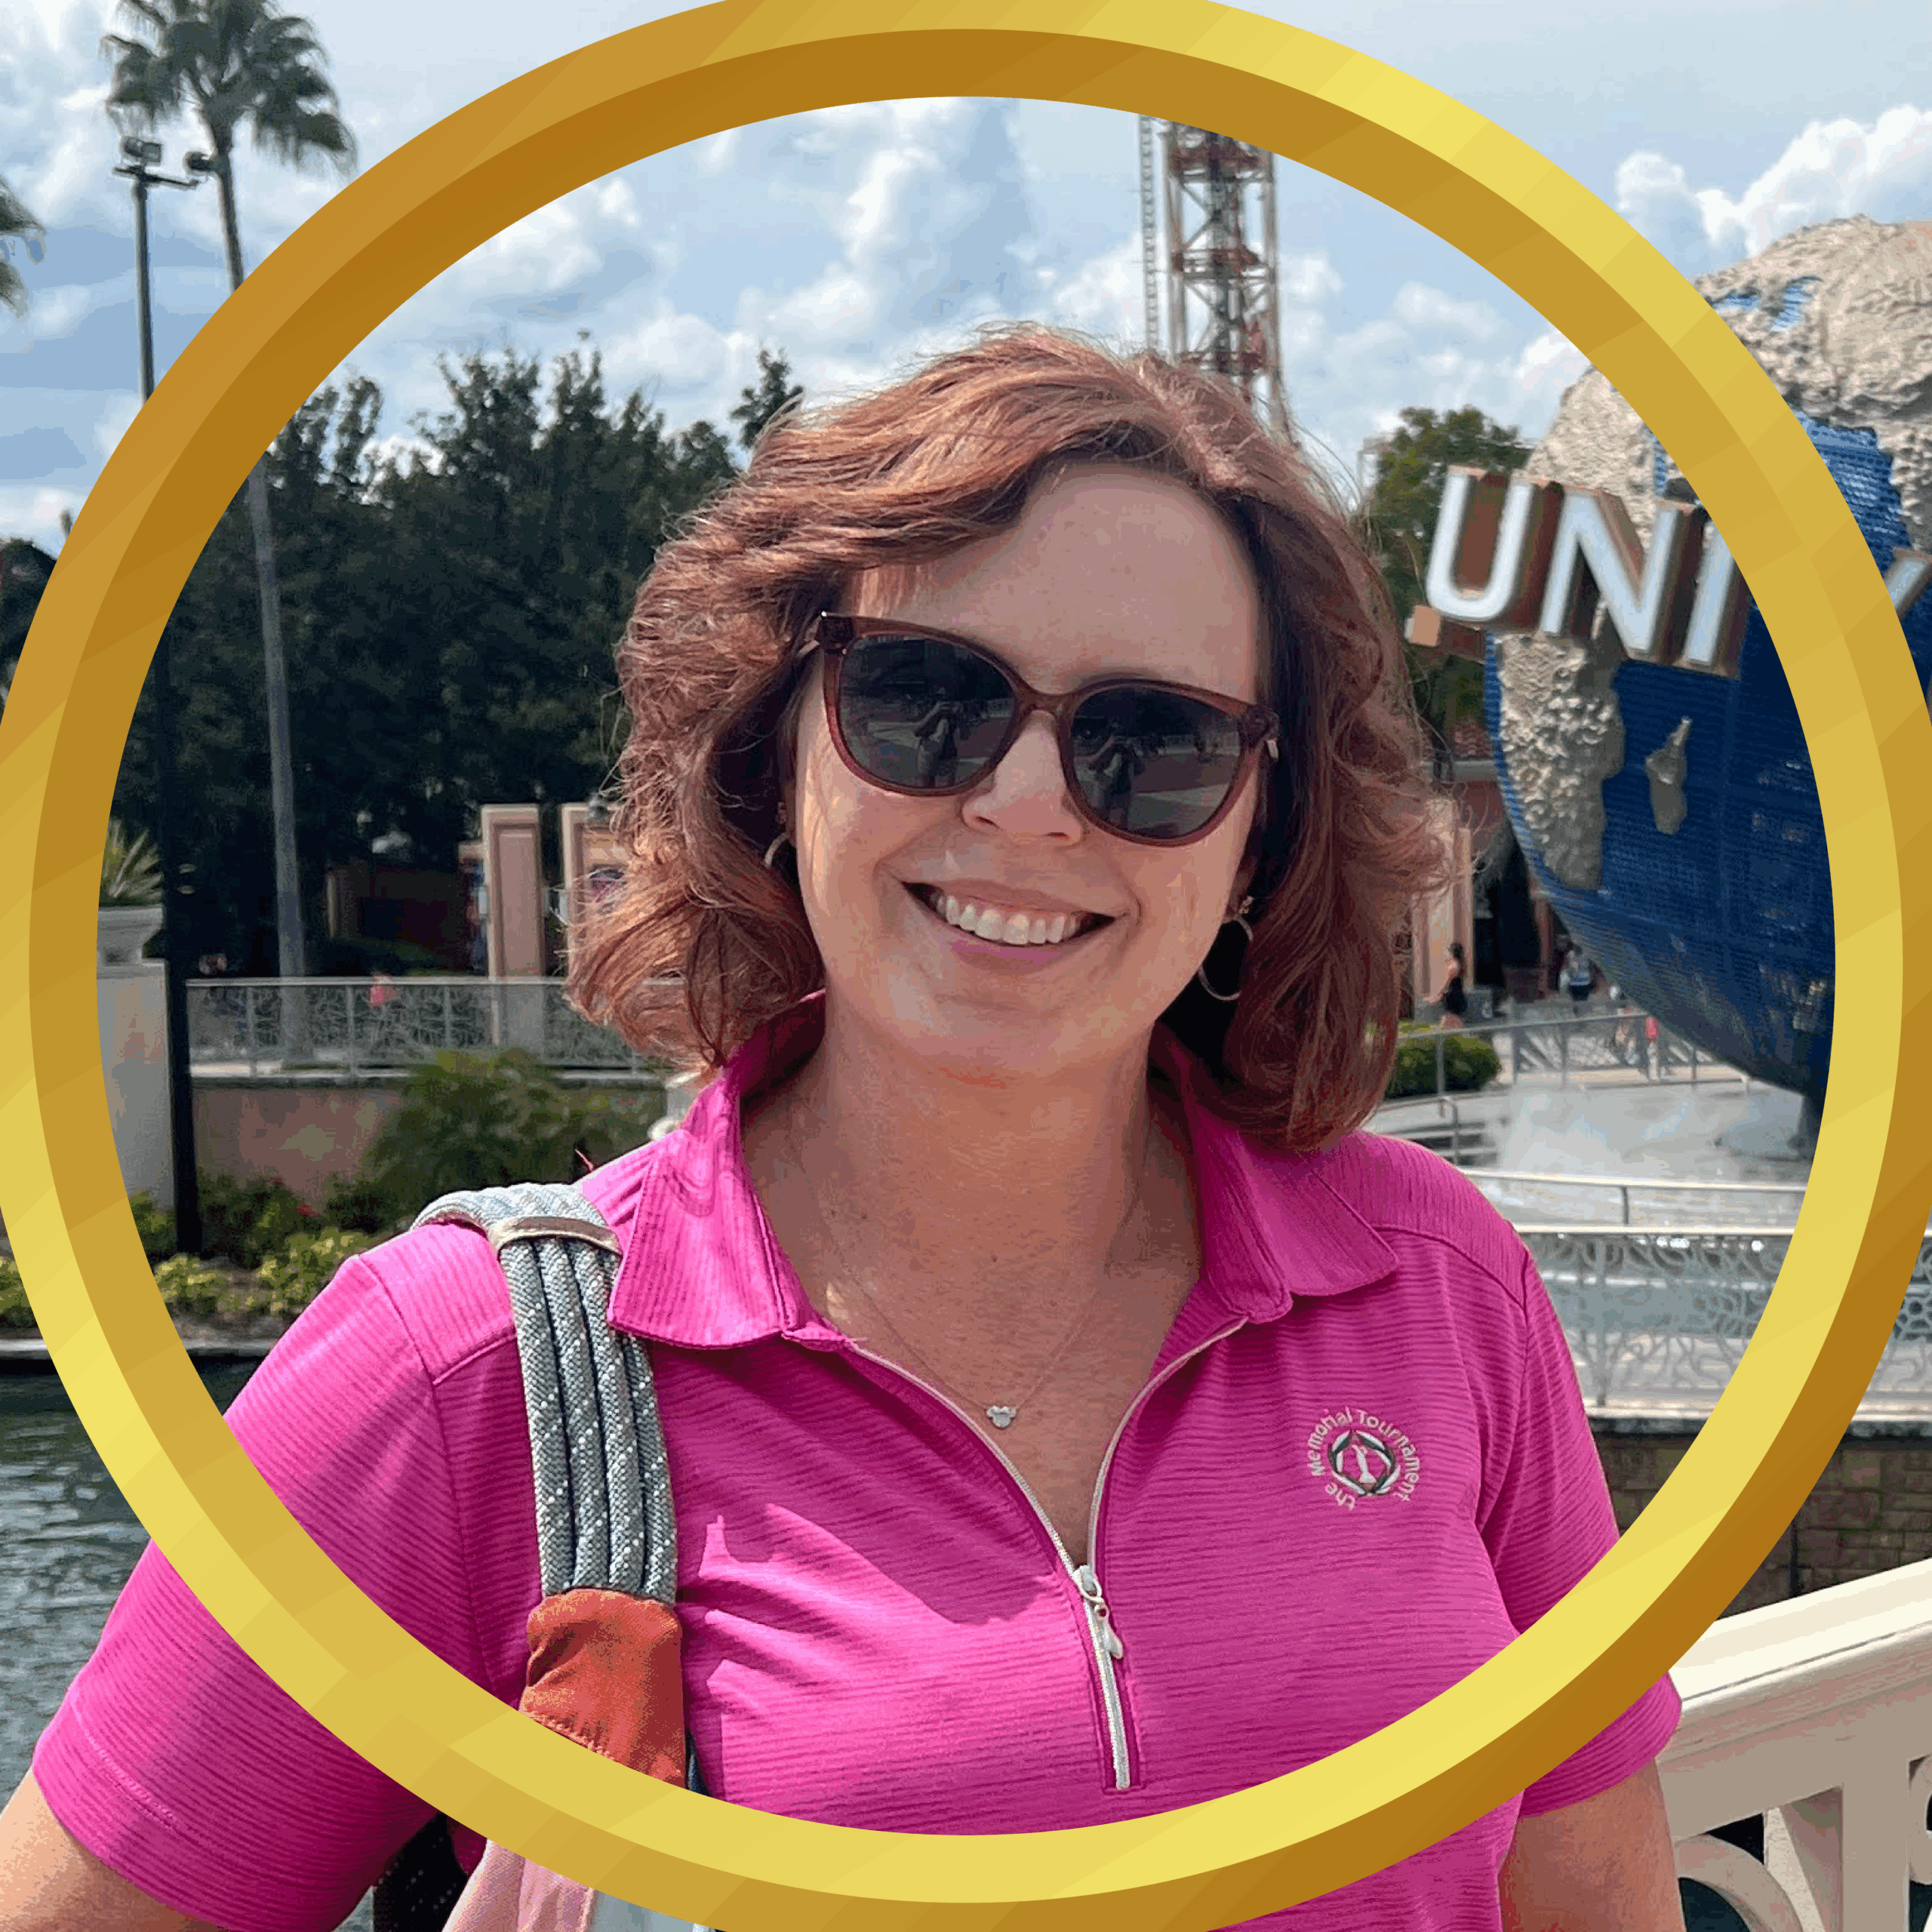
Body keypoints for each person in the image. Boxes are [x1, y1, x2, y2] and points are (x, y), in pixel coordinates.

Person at [0, 328, 1687, 1932]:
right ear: (774, 748)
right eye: (924, 699)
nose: (1024, 803)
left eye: (1150, 740)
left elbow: (1595, 1893)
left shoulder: (1432, 1282)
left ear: (1258, 833)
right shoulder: (456, 1376)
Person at [1438, 940, 1469, 1029]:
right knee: (1455, 1019)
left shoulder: (1453, 966)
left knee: (1449, 1019)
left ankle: (1441, 1038)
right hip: (1459, 994)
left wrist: (1439, 993)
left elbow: (1447, 983)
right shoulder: (1462, 964)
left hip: (1452, 995)